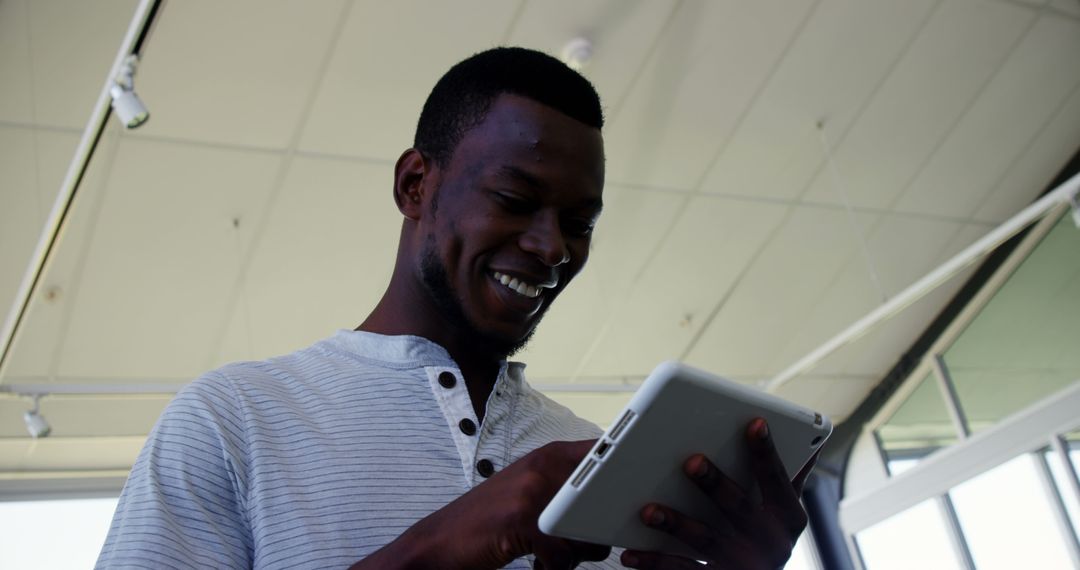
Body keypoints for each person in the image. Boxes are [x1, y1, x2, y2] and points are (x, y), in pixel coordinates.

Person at [96, 47, 814, 569]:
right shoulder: (233, 420)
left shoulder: (601, 463)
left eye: (579, 222)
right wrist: (441, 548)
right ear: (415, 184)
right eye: (514, 200)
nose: (552, 246)